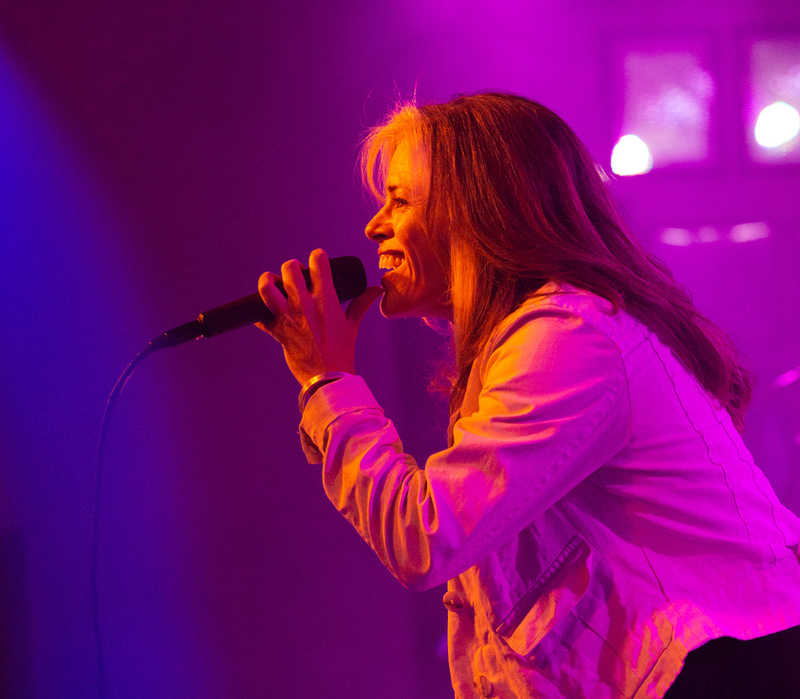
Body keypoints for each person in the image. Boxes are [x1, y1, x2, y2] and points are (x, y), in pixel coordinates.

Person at [257, 92, 800, 699]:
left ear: (478, 209)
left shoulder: (568, 336)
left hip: (725, 668)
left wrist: (327, 379)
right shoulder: (534, 342)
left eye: (400, 200)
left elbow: (426, 535)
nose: (373, 225)